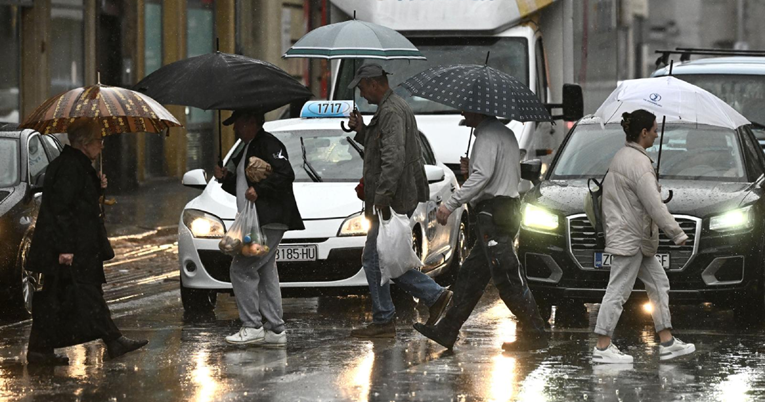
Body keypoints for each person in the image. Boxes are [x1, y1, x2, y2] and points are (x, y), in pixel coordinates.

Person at [412, 111, 549, 351]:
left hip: (494, 214)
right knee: (470, 276)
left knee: (506, 278)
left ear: (479, 110)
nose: (463, 112)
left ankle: (535, 333)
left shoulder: (486, 137)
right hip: (503, 211)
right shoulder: (504, 134)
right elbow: (495, 173)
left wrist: (450, 203)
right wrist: (470, 170)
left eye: (467, 108)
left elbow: (483, 177)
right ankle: (447, 330)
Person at [26, 119, 148, 366]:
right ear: (84, 144)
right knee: (86, 294)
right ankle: (113, 340)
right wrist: (65, 249)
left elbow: (81, 202)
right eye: (98, 141)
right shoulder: (71, 167)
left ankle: (40, 349)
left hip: (76, 245)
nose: (101, 146)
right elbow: (63, 210)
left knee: (55, 297)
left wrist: (98, 187)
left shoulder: (76, 165)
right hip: (73, 247)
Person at [346, 63, 453, 338]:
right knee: (385, 258)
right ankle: (418, 303)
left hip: (390, 200)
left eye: (361, 87)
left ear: (373, 83)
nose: (361, 94)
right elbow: (383, 147)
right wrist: (362, 129)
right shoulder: (390, 109)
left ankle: (408, 308)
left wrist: (381, 198)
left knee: (376, 259)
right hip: (392, 198)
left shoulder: (392, 111)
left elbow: (392, 159)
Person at [592, 109, 695, 364]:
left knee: (659, 284)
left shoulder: (623, 156)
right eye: (654, 130)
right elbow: (654, 206)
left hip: (635, 238)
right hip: (631, 239)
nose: (657, 135)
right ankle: (603, 347)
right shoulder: (639, 164)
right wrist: (677, 234)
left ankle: (667, 340)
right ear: (644, 132)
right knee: (618, 291)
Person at [214, 110, 304, 347]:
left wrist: (261, 190)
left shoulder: (268, 144)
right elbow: (246, 186)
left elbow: (286, 174)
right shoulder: (250, 146)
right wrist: (226, 178)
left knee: (241, 269)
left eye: (238, 124)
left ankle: (252, 325)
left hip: (268, 220)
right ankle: (275, 329)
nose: (234, 129)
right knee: (265, 271)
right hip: (258, 219)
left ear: (252, 121)